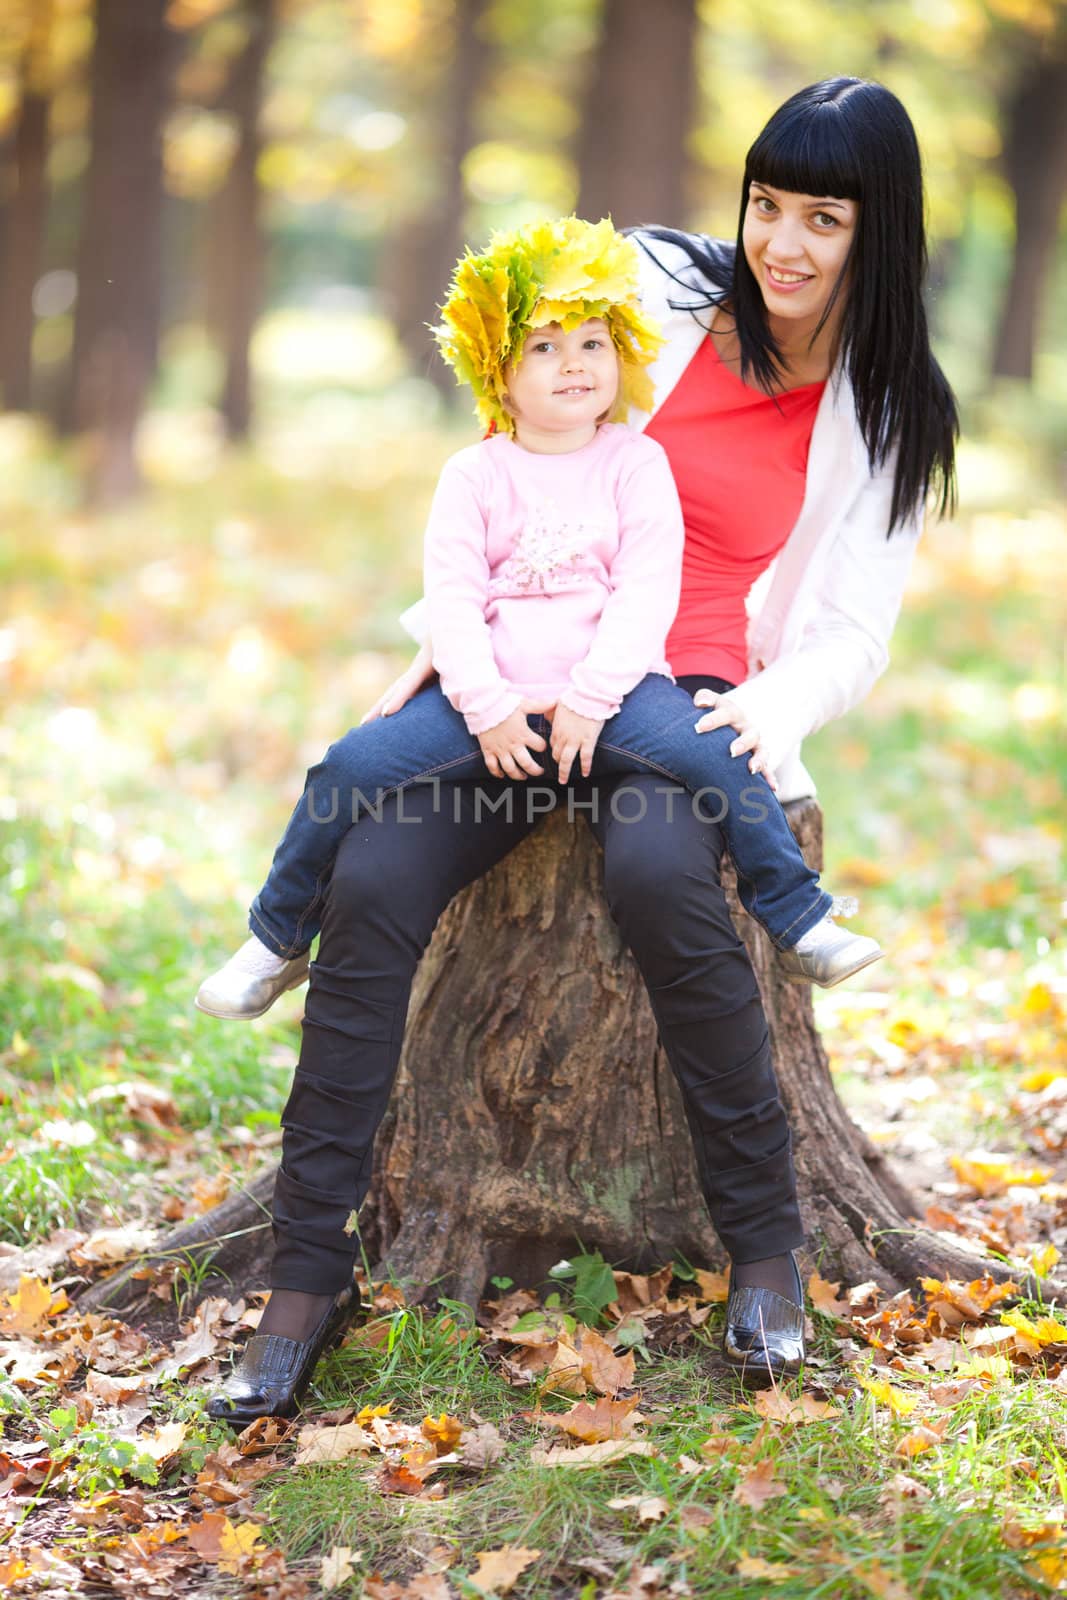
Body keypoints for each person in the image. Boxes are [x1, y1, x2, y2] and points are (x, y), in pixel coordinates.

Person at [205, 77, 958, 1424]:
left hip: (689, 697)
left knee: (667, 886)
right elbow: (514, 471)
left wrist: (767, 715)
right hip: (527, 682)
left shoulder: (888, 408)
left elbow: (849, 630)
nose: (781, 242)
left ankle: (768, 1253)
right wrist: (454, 657)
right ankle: (304, 1281)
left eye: (822, 218)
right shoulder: (654, 296)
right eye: (767, 204)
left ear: (877, 231)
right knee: (370, 886)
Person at [196, 219, 879, 1034]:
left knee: (723, 758)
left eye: (593, 345)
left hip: (619, 695)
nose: (575, 365)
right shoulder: (473, 475)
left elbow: (644, 591)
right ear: (497, 373)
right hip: (490, 698)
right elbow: (451, 597)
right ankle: (274, 939)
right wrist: (482, 706)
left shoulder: (635, 463)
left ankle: (800, 920)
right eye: (545, 349)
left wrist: (595, 696)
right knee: (346, 767)